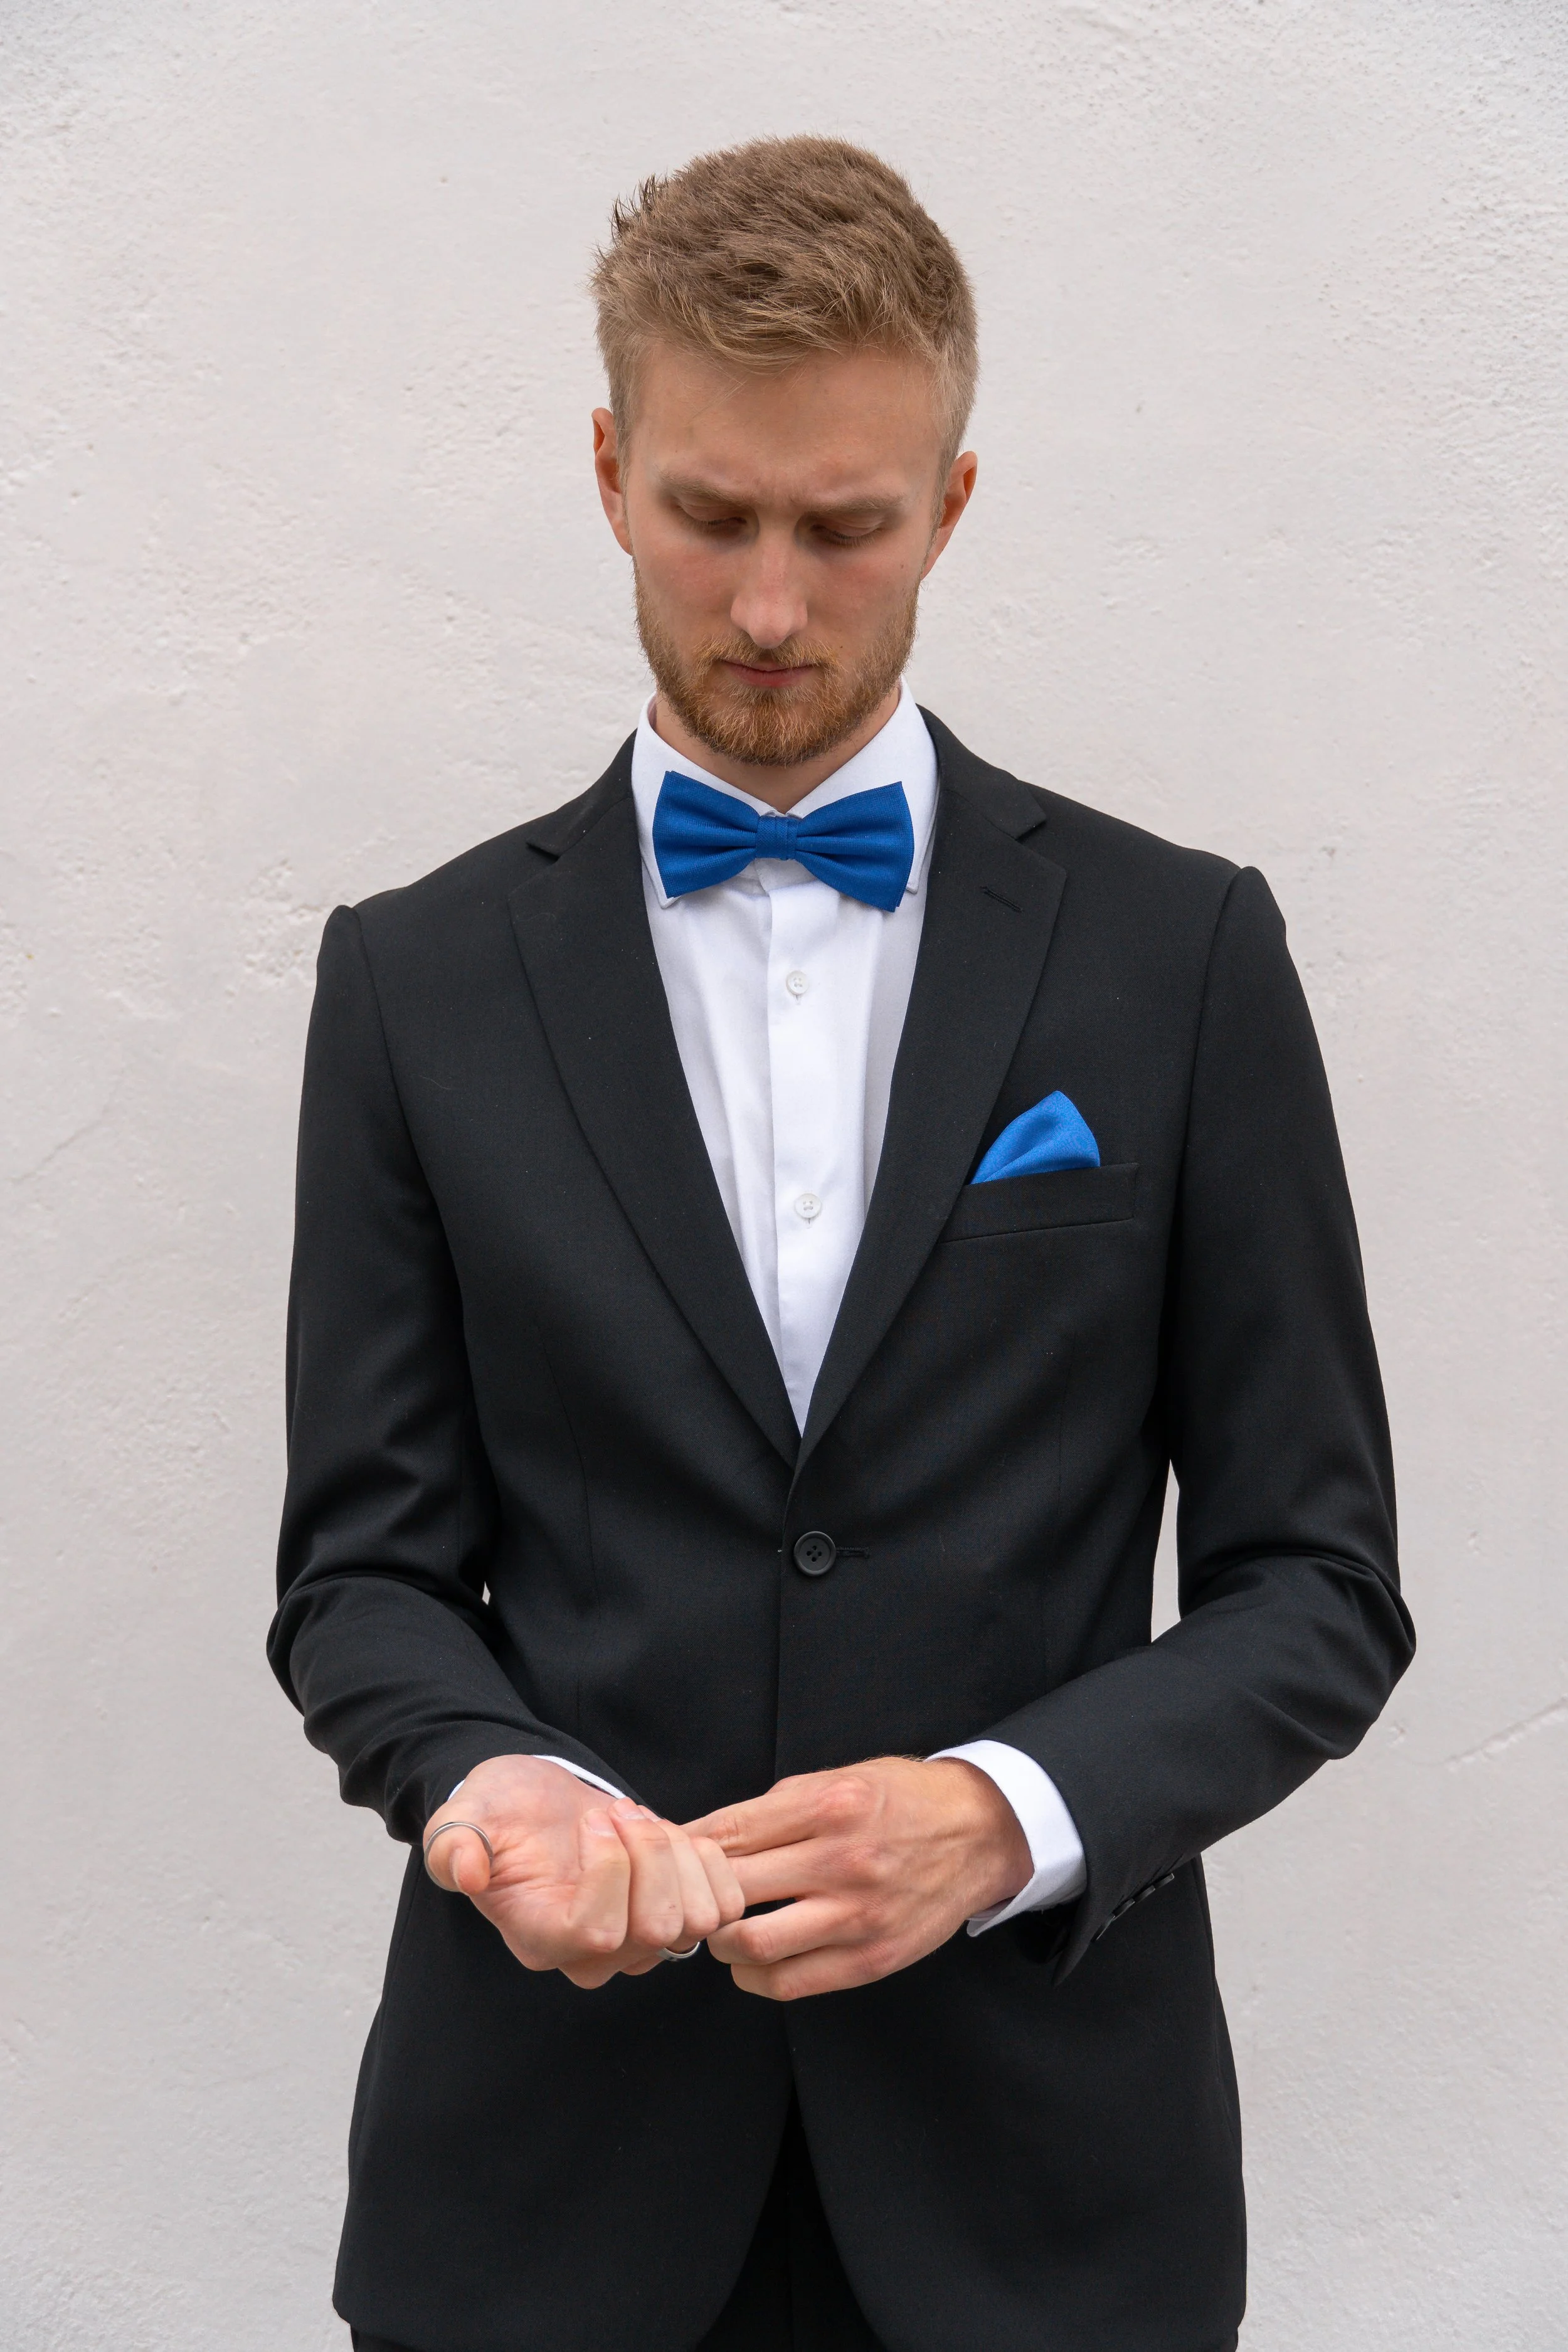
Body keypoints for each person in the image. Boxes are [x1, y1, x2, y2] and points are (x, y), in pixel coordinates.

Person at [270, 135, 1414, 2352]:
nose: (773, 609)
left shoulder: (1179, 953)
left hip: (1045, 2203)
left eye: (846, 526)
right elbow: (363, 1572)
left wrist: (1007, 1812)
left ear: (952, 506)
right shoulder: (412, 978)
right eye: (711, 515)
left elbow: (1316, 1582)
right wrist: (502, 1786)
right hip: (540, 2192)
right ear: (608, 473)